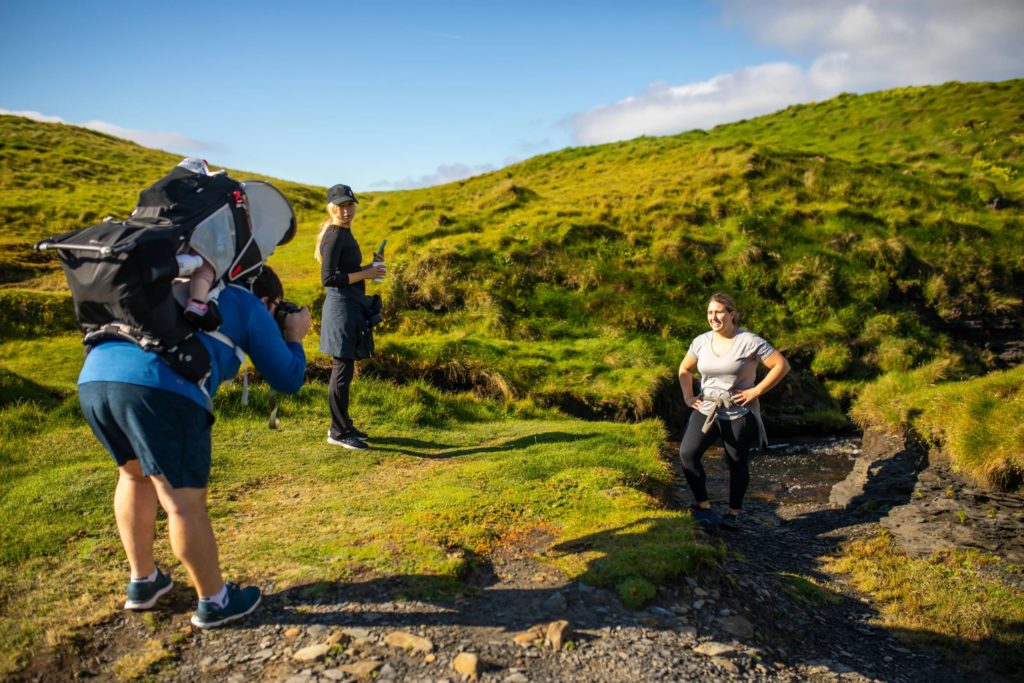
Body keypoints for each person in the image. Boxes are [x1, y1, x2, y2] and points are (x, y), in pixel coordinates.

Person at [77, 266, 311, 628]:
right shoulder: (245, 302)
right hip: (159, 387)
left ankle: (143, 581)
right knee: (183, 503)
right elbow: (288, 377)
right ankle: (215, 601)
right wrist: (294, 336)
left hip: (95, 379)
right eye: (277, 307)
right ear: (268, 299)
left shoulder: (171, 287)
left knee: (133, 475)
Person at [677, 292, 789, 532]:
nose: (713, 317)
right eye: (710, 312)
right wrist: (688, 397)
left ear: (732, 314)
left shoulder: (749, 341)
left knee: (736, 461)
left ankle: (733, 513)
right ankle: (703, 506)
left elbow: (781, 365)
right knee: (687, 454)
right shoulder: (701, 341)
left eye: (719, 312)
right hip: (706, 408)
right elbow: (685, 369)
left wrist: (755, 391)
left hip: (738, 411)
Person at [314, 183, 385, 451]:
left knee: (346, 368)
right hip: (340, 309)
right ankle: (338, 432)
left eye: (350, 205)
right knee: (342, 370)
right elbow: (328, 278)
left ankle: (344, 425)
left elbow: (347, 270)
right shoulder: (334, 235)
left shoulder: (345, 233)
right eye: (341, 206)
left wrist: (370, 267)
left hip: (349, 307)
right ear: (332, 208)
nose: (346, 210)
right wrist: (366, 273)